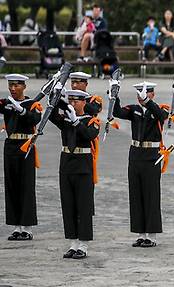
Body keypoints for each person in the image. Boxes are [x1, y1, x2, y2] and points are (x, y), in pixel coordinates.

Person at [112, 82, 168, 248]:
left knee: (151, 195)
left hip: (152, 156)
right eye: (140, 93)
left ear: (153, 94)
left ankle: (152, 235)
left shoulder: (160, 109)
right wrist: (114, 96)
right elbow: (118, 112)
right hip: (136, 154)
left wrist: (148, 103)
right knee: (136, 195)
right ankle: (140, 234)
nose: (142, 96)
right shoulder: (134, 110)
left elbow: (161, 116)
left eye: (146, 93)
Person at [49, 89, 100, 259]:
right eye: (70, 100)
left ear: (84, 102)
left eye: (76, 101)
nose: (72, 103)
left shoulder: (91, 120)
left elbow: (89, 134)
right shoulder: (65, 119)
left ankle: (83, 245)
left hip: (83, 165)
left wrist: (76, 122)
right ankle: (73, 243)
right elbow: (51, 115)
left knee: (83, 206)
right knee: (68, 204)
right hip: (66, 163)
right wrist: (54, 95)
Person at [2, 74, 42, 241]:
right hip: (10, 145)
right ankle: (16, 226)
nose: (13, 88)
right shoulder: (6, 103)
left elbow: (36, 118)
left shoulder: (32, 104)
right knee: (12, 185)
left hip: (26, 146)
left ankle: (27, 227)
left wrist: (22, 110)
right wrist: (11, 106)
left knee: (26, 185)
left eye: (16, 85)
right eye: (10, 85)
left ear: (24, 87)